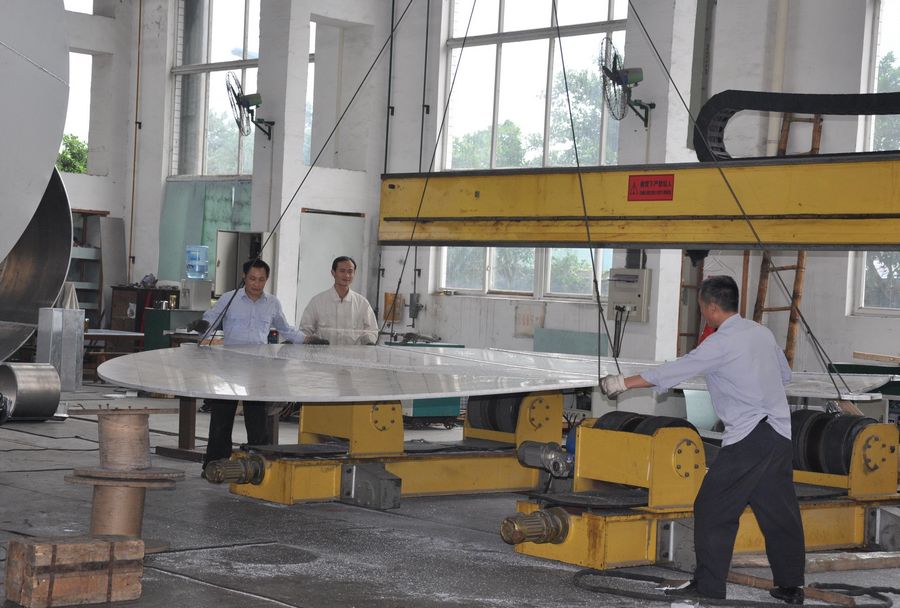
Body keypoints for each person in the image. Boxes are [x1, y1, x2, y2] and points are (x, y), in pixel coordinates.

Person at [600, 275, 805, 605]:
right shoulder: (761, 333)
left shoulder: (720, 343)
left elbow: (675, 370)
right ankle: (791, 586)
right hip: (779, 433)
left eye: (701, 308)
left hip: (749, 436)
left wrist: (622, 383)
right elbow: (785, 375)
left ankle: (709, 588)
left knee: (712, 507)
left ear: (710, 308)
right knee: (779, 511)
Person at [186, 258, 306, 469]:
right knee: (221, 418)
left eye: (261, 279)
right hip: (228, 367)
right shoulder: (229, 298)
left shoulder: (272, 303)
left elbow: (286, 330)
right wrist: (201, 325)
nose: (256, 284)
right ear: (244, 277)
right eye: (252, 278)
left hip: (257, 369)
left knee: (257, 421)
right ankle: (214, 465)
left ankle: (260, 467)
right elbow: (211, 319)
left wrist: (308, 340)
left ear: (267, 280)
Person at [299, 256, 378, 345]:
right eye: (342, 271)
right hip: (324, 353)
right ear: (333, 273)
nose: (347, 275)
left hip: (353, 353)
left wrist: (368, 342)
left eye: (350, 271)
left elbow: (372, 331)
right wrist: (312, 341)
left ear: (354, 273)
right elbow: (305, 330)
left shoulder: (362, 303)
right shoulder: (317, 302)